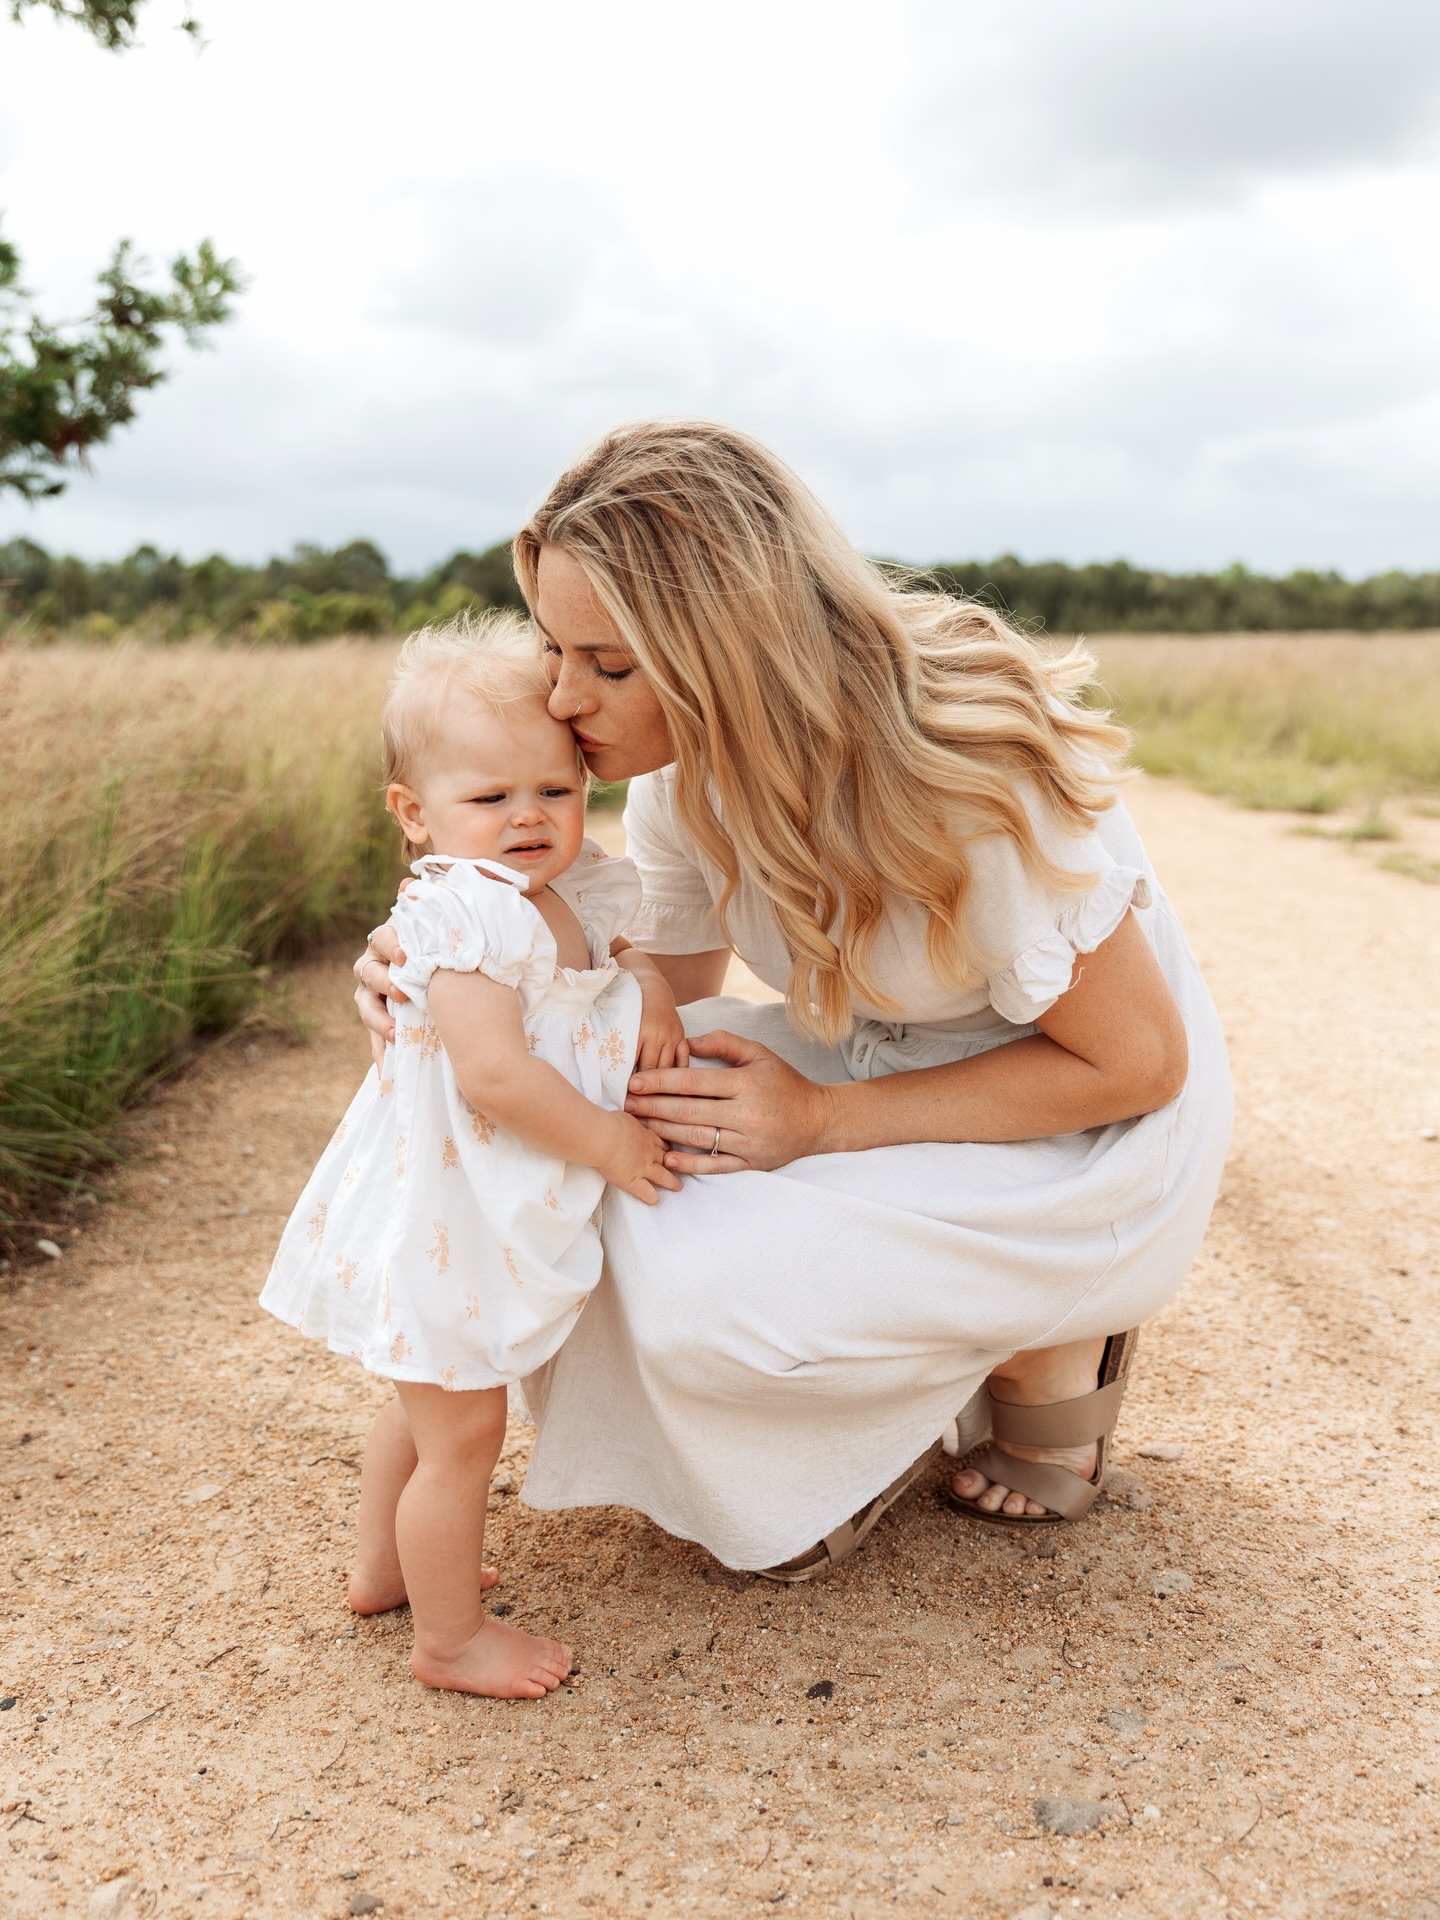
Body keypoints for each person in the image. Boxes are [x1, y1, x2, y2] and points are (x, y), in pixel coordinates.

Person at [354, 421, 1233, 1580]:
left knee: (711, 1301)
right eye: (557, 652)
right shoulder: (685, 778)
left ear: (727, 647)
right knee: (562, 1164)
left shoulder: (962, 769)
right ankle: (824, 1436)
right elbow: (654, 1001)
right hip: (878, 1058)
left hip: (1079, 1128)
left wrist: (817, 1127)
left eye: (608, 664)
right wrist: (454, 965)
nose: (564, 699)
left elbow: (1137, 1066)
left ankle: (1044, 1345)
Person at [263, 616, 685, 1692]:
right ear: (416, 816)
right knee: (461, 1436)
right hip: (453, 1214)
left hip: (479, 1206)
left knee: (421, 1404)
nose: (529, 818)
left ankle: (383, 1568)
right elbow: (495, 1076)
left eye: (554, 789)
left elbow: (627, 956)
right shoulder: (465, 915)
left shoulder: (569, 892)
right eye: (489, 799)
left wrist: (655, 995)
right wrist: (612, 1141)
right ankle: (449, 1641)